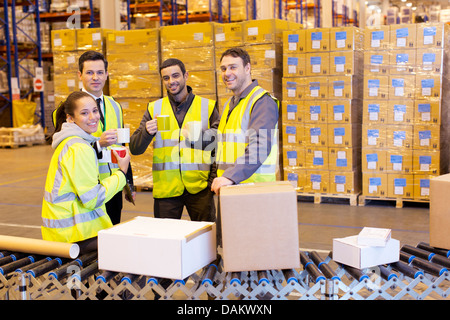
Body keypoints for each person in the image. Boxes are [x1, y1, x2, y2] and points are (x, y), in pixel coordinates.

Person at [129, 58, 219, 222]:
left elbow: (218, 145)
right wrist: (146, 132)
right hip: (167, 190)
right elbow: (135, 148)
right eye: (166, 78)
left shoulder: (207, 106)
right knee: (166, 242)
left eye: (175, 76)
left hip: (199, 188)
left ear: (186, 75)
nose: (171, 81)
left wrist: (211, 182)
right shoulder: (154, 108)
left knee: (207, 242)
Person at [42, 91, 131, 253]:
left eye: (95, 111)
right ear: (70, 118)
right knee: (128, 248)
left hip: (64, 231)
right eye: (84, 113)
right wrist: (122, 173)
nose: (93, 117)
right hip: (74, 234)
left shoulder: (70, 142)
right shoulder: (79, 148)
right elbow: (92, 199)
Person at [211, 47, 279, 194]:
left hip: (253, 190)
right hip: (231, 187)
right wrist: (190, 137)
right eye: (223, 69)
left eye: (233, 67)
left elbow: (260, 147)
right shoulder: (231, 102)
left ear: (247, 68)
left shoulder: (261, 102)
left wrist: (230, 176)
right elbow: (219, 136)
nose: (227, 73)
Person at [77, 50, 135, 225]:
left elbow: (122, 146)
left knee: (111, 237)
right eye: (89, 72)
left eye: (100, 72)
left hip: (113, 187)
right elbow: (68, 151)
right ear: (80, 75)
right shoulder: (69, 108)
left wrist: (127, 183)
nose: (95, 77)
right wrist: (98, 144)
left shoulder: (114, 106)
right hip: (87, 189)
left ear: (107, 75)